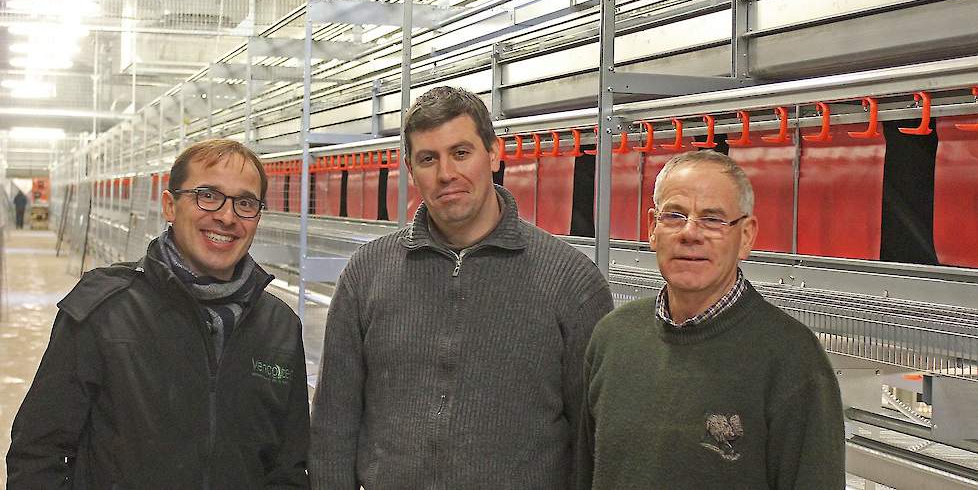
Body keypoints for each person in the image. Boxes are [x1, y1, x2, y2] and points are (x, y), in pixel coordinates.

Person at [310, 86, 614, 489]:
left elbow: (592, 439)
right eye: (428, 158)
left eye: (460, 153)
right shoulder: (367, 274)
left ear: (493, 153)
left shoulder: (571, 281)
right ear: (410, 168)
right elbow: (334, 424)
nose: (446, 174)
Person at [7, 139, 310, 489]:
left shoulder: (280, 327)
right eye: (207, 195)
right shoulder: (104, 311)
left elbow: (288, 470)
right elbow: (37, 454)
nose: (227, 217)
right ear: (170, 205)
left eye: (245, 203)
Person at [579, 150, 845, 489]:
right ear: (652, 229)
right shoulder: (612, 338)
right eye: (674, 216)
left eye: (713, 219)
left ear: (746, 236)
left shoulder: (791, 358)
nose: (690, 233)